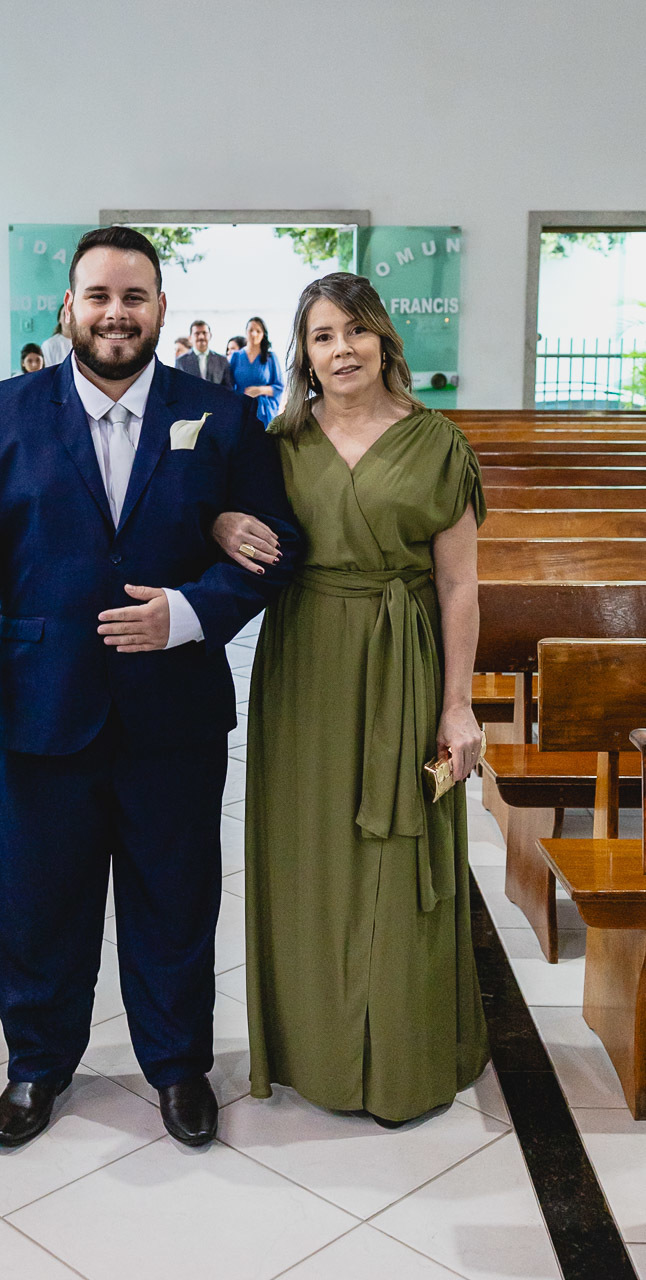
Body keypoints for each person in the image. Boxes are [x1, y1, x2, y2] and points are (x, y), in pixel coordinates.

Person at [0, 225, 299, 1150]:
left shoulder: (222, 420)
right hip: (43, 703)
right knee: (37, 899)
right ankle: (37, 1065)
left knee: (175, 898)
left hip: (174, 708)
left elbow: (273, 547)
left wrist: (192, 611)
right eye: (99, 296)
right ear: (69, 309)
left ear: (162, 309)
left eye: (135, 297)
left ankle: (177, 1067)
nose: (116, 313)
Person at [213, 273, 489, 1124]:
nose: (342, 349)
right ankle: (313, 1048)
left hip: (403, 661)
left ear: (385, 341)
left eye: (356, 331)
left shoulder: (440, 444)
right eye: (324, 335)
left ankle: (403, 1052)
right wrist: (221, 523)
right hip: (303, 664)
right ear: (304, 351)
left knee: (400, 856)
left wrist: (458, 704)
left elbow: (459, 587)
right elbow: (217, 519)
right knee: (308, 856)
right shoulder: (279, 442)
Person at [228, 317, 284, 426]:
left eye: (258, 331)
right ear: (246, 332)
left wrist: (260, 390)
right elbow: (228, 385)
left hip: (264, 413)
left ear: (263, 335)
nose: (254, 334)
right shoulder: (236, 356)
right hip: (241, 410)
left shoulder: (270, 358)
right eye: (251, 330)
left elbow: (279, 387)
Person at [176, 320, 233, 388]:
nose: (201, 337)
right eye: (197, 333)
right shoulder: (181, 361)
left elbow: (228, 389)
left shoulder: (222, 360)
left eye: (204, 333)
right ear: (190, 338)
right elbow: (178, 387)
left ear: (210, 335)